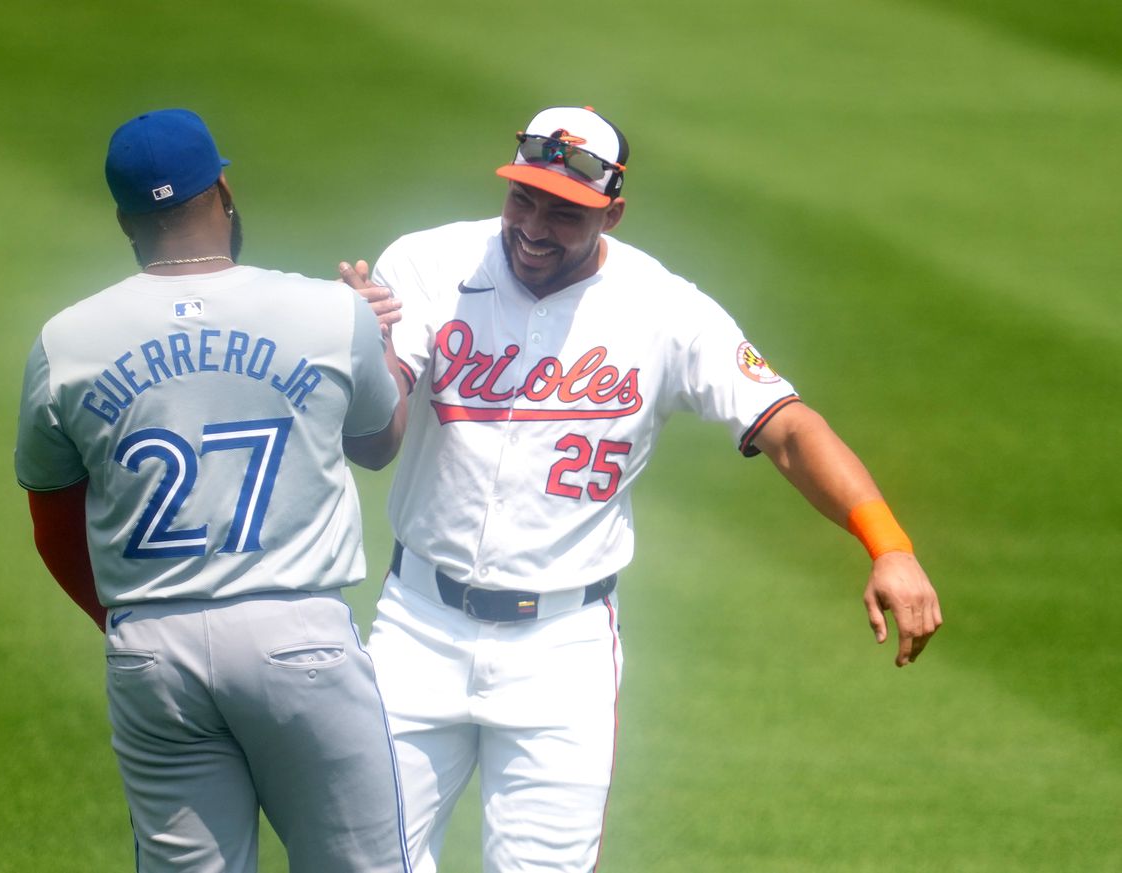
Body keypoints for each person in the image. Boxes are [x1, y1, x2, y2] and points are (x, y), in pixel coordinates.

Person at [339, 105, 943, 873]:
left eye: (564, 214)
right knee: (357, 859)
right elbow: (373, 445)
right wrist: (365, 358)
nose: (532, 226)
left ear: (613, 213)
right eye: (523, 198)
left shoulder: (662, 308)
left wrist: (889, 546)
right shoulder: (427, 266)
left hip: (562, 647)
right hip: (418, 626)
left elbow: (789, 429)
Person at [14, 108, 411, 873]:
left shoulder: (65, 339)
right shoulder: (330, 313)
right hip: (299, 639)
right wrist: (381, 340)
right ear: (224, 190)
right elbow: (377, 442)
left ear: (127, 219)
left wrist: (131, 621)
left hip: (151, 648)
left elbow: (52, 520)